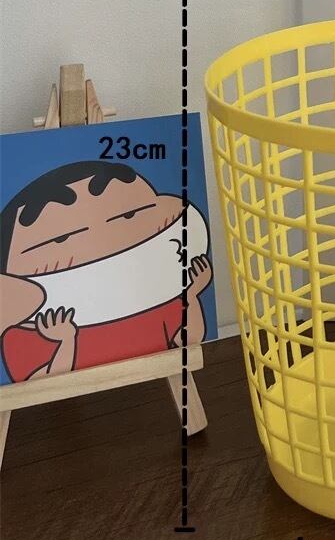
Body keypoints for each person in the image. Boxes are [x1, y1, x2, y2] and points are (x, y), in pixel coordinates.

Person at [0, 160, 212, 381]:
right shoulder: (27, 332)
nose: (102, 244)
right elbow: (35, 383)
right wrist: (66, 341)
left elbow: (189, 341)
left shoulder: (159, 300)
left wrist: (192, 295)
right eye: (61, 239)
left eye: (129, 215)